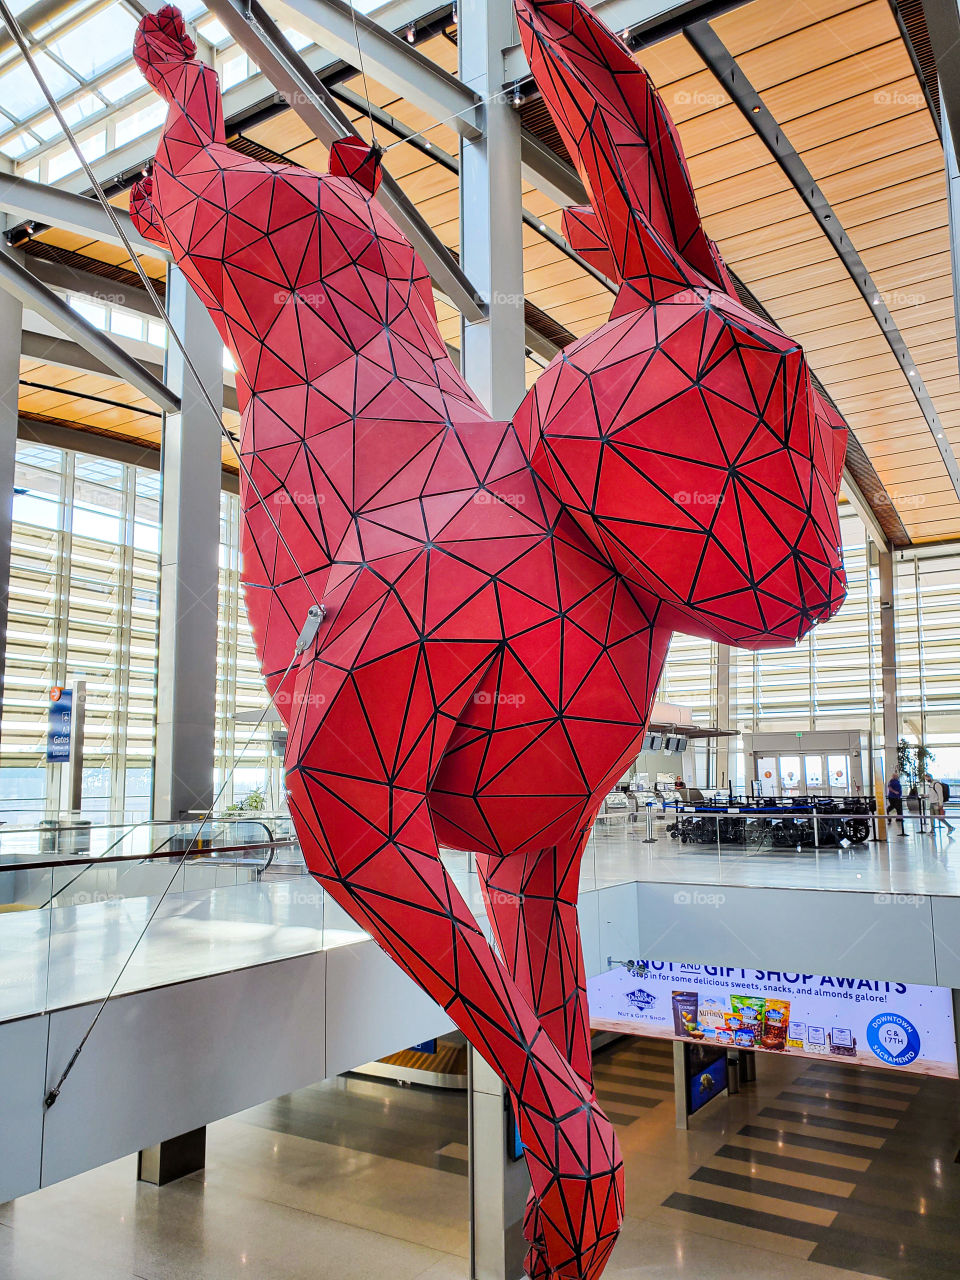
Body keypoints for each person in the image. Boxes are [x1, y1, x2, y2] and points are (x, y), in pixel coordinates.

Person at [885, 769, 904, 835]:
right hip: (893, 797)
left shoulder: (896, 781)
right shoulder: (891, 781)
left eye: (897, 776)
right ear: (894, 776)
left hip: (897, 797)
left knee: (898, 808)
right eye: (896, 776)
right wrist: (895, 792)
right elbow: (889, 787)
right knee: (894, 806)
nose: (897, 777)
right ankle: (888, 812)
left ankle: (899, 818)